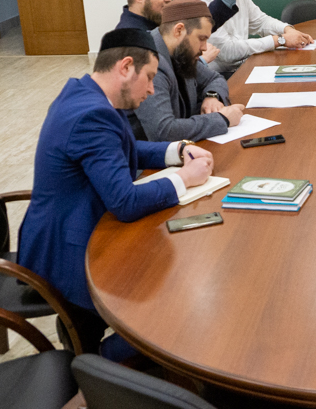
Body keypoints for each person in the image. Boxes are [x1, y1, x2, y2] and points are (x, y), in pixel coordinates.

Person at [17, 28, 215, 355]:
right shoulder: (92, 115)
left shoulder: (86, 93)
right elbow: (125, 202)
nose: (152, 89)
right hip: (69, 252)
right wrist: (185, 178)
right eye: (149, 77)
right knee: (170, 318)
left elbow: (121, 147)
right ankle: (99, 369)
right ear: (125, 67)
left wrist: (177, 150)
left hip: (76, 225)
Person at [132, 0, 244, 142]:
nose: (204, 48)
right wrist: (223, 119)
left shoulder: (180, 53)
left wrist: (212, 96)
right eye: (201, 38)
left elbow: (214, 78)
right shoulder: (149, 62)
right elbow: (163, 131)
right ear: (179, 30)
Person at [115, 0, 226, 63]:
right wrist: (201, 61)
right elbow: (158, 73)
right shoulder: (129, 36)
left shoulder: (155, 18)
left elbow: (196, 25)